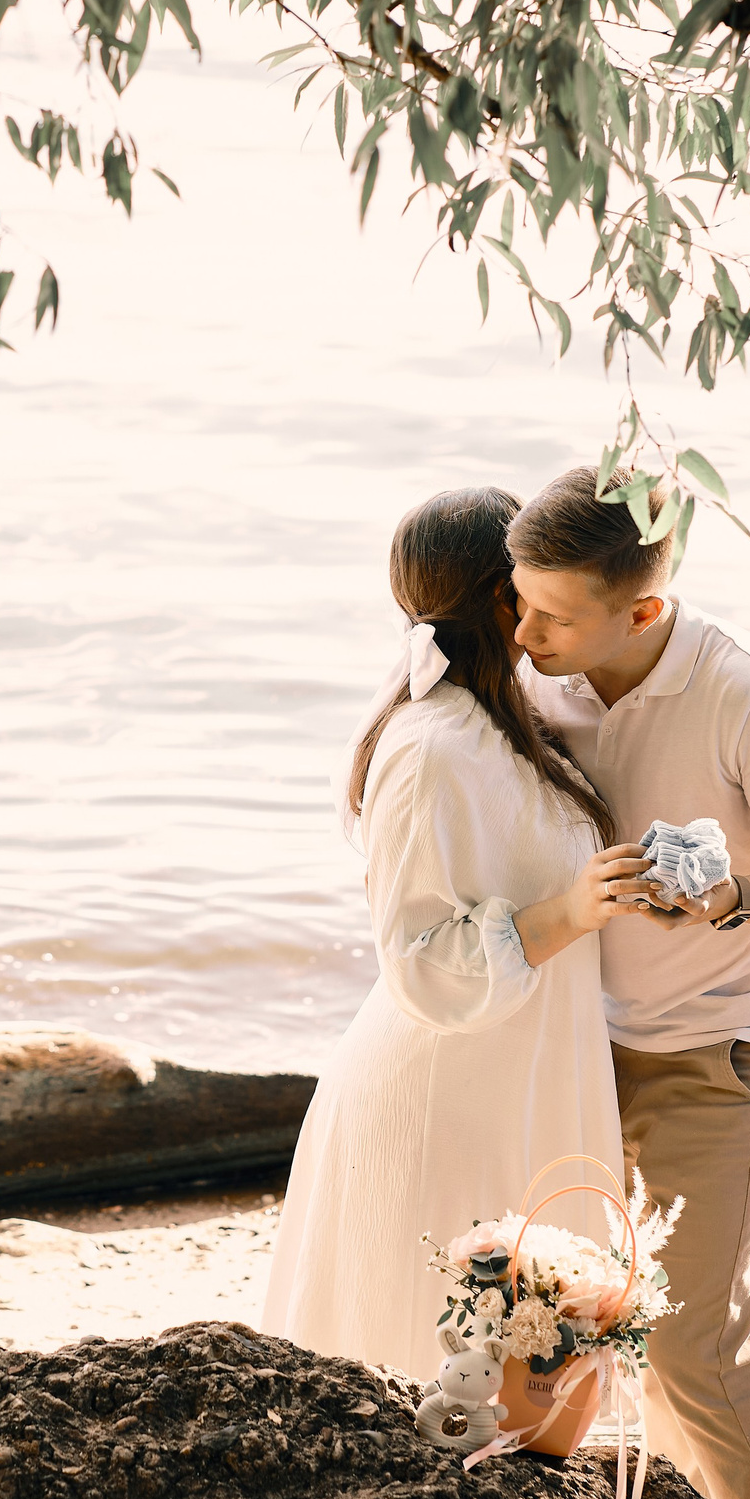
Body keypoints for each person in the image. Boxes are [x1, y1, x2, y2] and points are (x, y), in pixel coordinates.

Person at [509, 465, 750, 1499]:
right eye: (518, 604)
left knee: (691, 1345)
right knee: (561, 1310)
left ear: (644, 611)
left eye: (551, 616)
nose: (521, 635)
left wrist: (732, 899)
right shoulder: (541, 673)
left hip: (730, 1053)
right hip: (578, 1042)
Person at [261, 486, 657, 1380]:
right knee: (426, 1364)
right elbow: (418, 962)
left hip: (524, 1071)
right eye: (528, 581)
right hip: (447, 1091)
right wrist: (570, 910)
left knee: (521, 1373)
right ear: (497, 595)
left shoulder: (510, 719)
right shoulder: (432, 744)